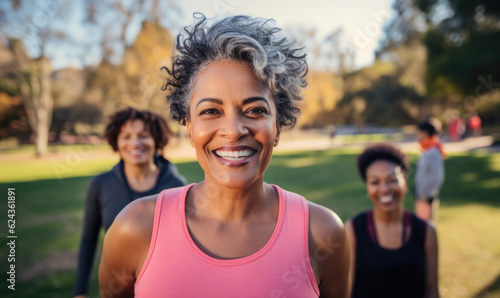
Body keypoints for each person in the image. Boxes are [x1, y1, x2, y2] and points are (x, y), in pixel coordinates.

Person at [98, 14, 351, 298]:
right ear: (190, 129)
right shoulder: (135, 228)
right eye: (210, 111)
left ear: (277, 128)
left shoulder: (321, 233)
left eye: (255, 110)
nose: (233, 131)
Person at [73, 107, 186, 297]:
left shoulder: (176, 186)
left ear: (156, 140)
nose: (135, 143)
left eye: (143, 135)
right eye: (126, 136)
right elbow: (88, 240)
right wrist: (80, 292)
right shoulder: (100, 184)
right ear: (116, 141)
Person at [346, 143, 439, 298]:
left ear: (405, 183)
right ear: (368, 188)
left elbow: (431, 291)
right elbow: (346, 291)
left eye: (392, 179)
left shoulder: (426, 231)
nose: (384, 189)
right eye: (375, 182)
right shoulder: (353, 230)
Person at [415, 119, 445, 222]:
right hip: (421, 195)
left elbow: (437, 176)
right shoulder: (426, 149)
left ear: (425, 133)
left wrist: (426, 194)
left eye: (418, 132)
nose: (417, 135)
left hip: (426, 196)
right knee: (421, 226)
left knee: (427, 227)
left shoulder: (433, 151)